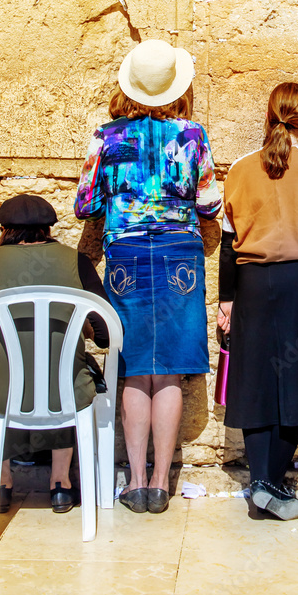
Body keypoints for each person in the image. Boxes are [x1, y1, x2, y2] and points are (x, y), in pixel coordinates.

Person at [74, 38, 221, 514]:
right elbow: (209, 204)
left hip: (127, 255)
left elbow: (85, 205)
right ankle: (161, 482)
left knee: (136, 367)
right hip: (179, 251)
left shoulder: (107, 137)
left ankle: (134, 480)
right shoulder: (192, 135)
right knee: (171, 366)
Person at [217, 82, 298, 521]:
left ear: (268, 115)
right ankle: (273, 485)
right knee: (296, 382)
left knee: (255, 384)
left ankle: (262, 486)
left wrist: (226, 300)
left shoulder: (240, 168)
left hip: (252, 283)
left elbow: (229, 242)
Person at [0, 193, 111, 515]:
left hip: (0, 392)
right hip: (67, 393)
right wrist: (80, 327)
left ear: (5, 230)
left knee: (4, 376)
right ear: (49, 229)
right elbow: (106, 335)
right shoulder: (75, 261)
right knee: (66, 373)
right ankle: (61, 484)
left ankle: (3, 483)